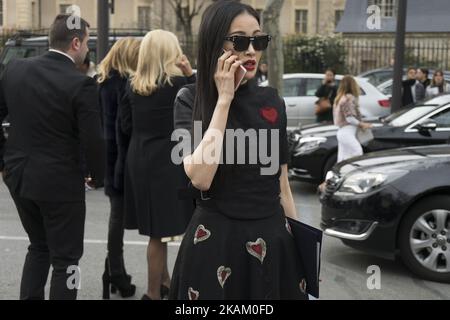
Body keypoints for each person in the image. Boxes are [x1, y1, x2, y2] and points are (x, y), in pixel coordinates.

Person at [169, 1, 308, 300]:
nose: (250, 51)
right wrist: (224, 100)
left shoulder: (272, 101)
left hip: (273, 239)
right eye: (240, 41)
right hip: (215, 241)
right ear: (214, 43)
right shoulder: (190, 98)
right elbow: (200, 178)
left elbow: (282, 183)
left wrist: (302, 246)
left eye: (258, 40)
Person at [0, 14, 104, 300]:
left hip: (19, 176)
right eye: (86, 42)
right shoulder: (81, 84)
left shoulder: (15, 69)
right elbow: (94, 139)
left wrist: (3, 162)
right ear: (75, 43)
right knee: (67, 260)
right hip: (60, 182)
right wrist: (97, 175)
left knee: (39, 245)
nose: (87, 48)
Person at [120, 30, 195, 300]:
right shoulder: (180, 85)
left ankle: (165, 282)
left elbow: (124, 126)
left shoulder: (132, 85)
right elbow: (203, 110)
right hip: (168, 163)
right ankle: (153, 294)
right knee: (159, 234)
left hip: (139, 159)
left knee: (157, 231)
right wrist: (191, 74)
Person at [97, 37, 141, 299]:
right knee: (118, 220)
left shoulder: (101, 83)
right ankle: (115, 274)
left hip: (108, 157)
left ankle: (114, 273)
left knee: (117, 218)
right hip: (122, 160)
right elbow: (124, 128)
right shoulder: (125, 85)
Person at [334, 76, 372, 163]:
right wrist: (362, 124)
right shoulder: (348, 99)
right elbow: (350, 118)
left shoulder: (340, 98)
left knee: (342, 159)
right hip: (347, 132)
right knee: (358, 152)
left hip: (343, 132)